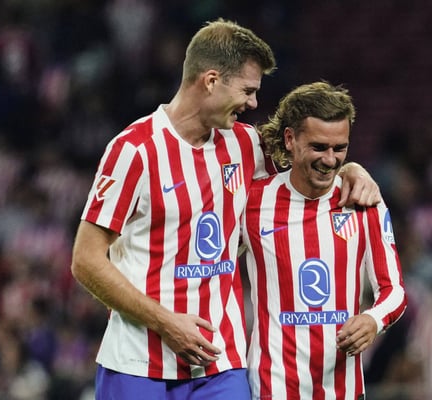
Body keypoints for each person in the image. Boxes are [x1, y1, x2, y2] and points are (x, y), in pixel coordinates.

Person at [70, 20, 381, 400]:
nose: (253, 103)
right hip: (137, 363)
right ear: (211, 81)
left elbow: (314, 165)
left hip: (221, 366)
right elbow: (85, 260)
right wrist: (165, 322)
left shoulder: (246, 143)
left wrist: (352, 169)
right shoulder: (135, 150)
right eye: (248, 90)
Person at [241, 81, 406, 399]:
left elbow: (394, 290)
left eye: (340, 148)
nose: (330, 160)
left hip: (345, 391)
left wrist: (373, 319)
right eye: (319, 147)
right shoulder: (252, 201)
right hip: (273, 389)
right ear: (290, 139)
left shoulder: (363, 199)